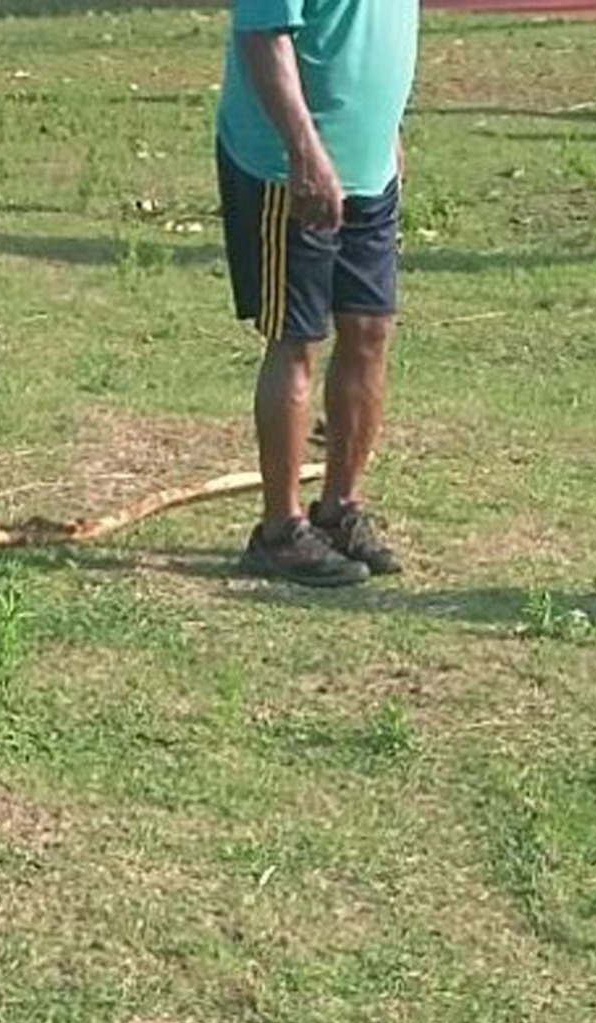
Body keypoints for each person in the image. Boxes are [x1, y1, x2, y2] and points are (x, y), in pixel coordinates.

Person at [214, 0, 419, 587]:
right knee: (297, 338)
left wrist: (388, 131)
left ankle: (341, 511)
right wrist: (305, 152)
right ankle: (280, 530)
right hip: (290, 167)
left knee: (370, 330)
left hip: (368, 166)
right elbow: (261, 38)